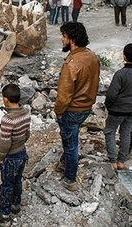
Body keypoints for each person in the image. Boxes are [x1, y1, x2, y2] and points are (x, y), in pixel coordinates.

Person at [54, 22, 100, 192]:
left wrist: (58, 112)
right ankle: (65, 163)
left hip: (72, 110)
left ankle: (70, 179)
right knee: (71, 139)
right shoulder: (91, 56)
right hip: (86, 107)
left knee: (71, 144)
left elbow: (64, 95)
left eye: (64, 36)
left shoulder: (71, 63)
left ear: (72, 39)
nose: (61, 39)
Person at [0, 83, 31, 224]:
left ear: (5, 99)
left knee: (6, 184)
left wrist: (1, 157)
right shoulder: (26, 113)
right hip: (22, 153)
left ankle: (4, 215)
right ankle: (15, 205)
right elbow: (27, 133)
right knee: (17, 180)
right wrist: (21, 144)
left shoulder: (7, 119)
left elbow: (5, 142)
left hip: (11, 157)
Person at [103, 43, 132, 170]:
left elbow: (112, 93)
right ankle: (121, 161)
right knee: (126, 133)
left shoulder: (120, 74)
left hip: (117, 110)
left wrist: (108, 105)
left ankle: (113, 160)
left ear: (124, 57)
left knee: (110, 132)